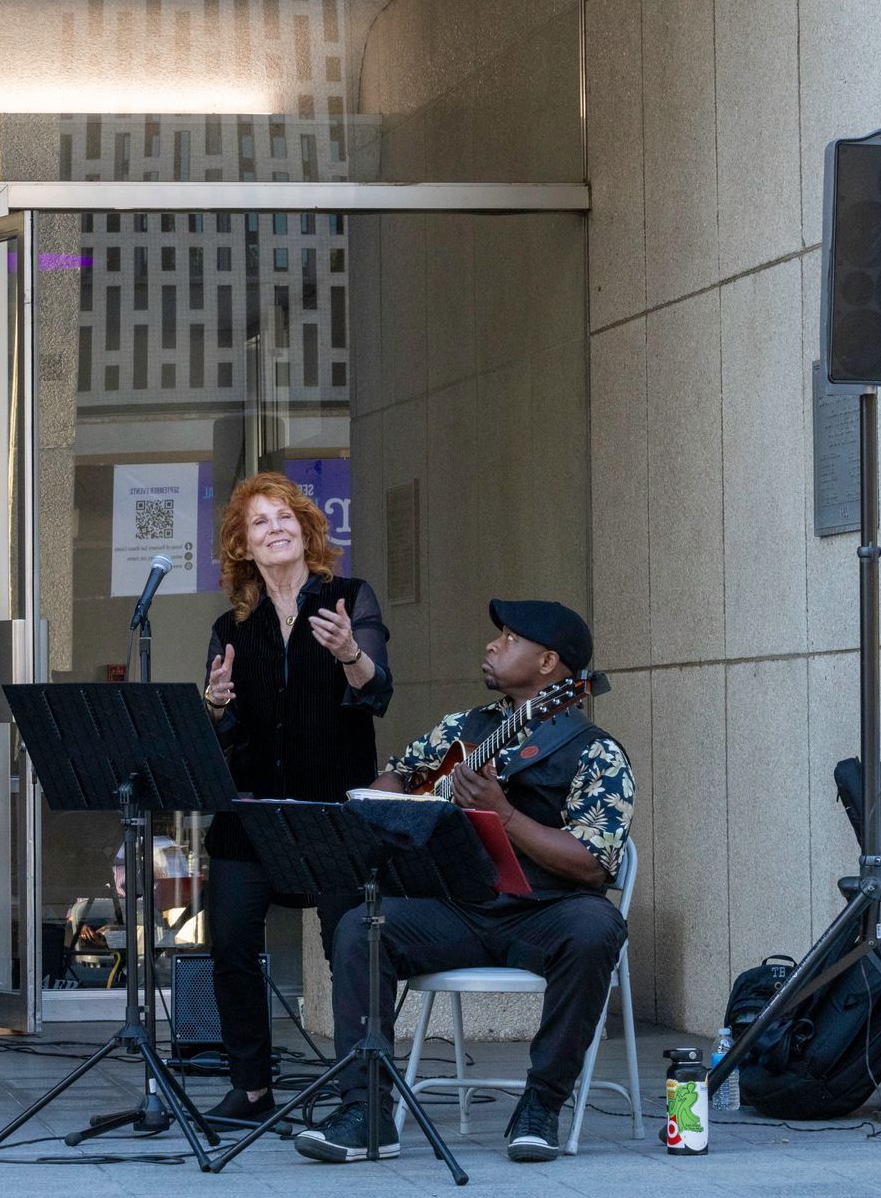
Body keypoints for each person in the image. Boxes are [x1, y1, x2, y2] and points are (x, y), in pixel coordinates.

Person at [292, 599, 634, 1166]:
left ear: (549, 663)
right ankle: (366, 1112)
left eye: (511, 638)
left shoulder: (596, 752)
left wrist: (505, 814)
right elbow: (395, 778)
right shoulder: (462, 728)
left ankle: (542, 1104)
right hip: (457, 907)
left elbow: (593, 864)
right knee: (361, 926)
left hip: (545, 912)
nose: (493, 645)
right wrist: (399, 804)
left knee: (597, 927)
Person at [199, 472, 392, 1124]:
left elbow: (377, 693)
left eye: (285, 516)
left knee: (349, 948)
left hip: (332, 812)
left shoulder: (349, 599)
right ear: (243, 544)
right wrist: (215, 705)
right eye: (260, 522)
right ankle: (251, 1089)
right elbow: (222, 737)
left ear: (306, 529)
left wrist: (350, 653)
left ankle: (361, 1095)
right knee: (230, 944)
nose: (275, 528)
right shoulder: (230, 627)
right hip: (251, 813)